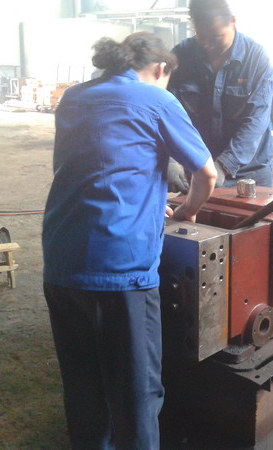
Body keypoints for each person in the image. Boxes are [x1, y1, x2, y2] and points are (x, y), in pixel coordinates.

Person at [42, 32, 217, 449]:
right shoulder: (157, 99)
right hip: (119, 268)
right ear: (161, 69)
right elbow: (207, 174)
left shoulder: (74, 96)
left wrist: (147, 195)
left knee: (84, 387)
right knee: (137, 393)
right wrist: (189, 210)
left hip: (61, 261)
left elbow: (93, 166)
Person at [168, 0, 273, 187]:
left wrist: (224, 165)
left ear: (233, 21)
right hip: (197, 166)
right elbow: (166, 112)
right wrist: (170, 158)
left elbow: (257, 119)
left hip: (249, 171)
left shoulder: (256, 58)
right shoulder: (181, 56)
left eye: (216, 37)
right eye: (201, 38)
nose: (208, 45)